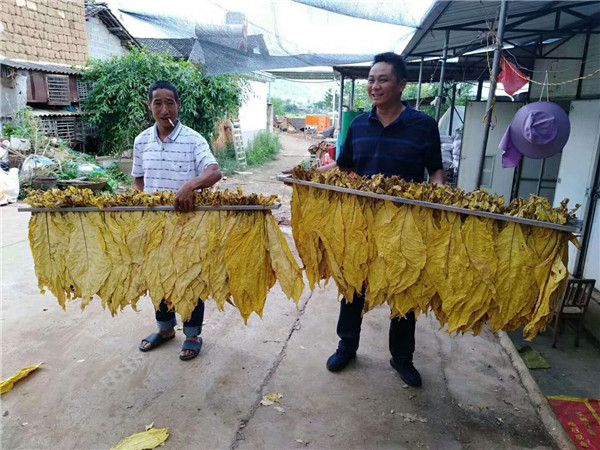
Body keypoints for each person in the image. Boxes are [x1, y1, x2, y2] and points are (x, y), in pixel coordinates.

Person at [322, 53, 445, 386]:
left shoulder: (423, 125)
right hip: (361, 222)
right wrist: (311, 174)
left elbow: (435, 171)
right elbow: (344, 168)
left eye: (383, 80)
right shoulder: (359, 124)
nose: (374, 86)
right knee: (354, 286)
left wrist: (439, 196)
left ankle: (402, 357)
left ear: (401, 85)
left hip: (406, 224)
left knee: (404, 288)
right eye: (371, 80)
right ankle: (347, 345)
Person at [132, 80, 222, 361]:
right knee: (158, 275)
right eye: (157, 103)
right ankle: (165, 329)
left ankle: (193, 334)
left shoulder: (194, 140)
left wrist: (190, 186)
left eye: (169, 102)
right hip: (154, 225)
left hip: (188, 225)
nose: (163, 109)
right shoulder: (142, 141)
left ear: (179, 105)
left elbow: (214, 171)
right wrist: (145, 202)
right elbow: (138, 178)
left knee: (190, 277)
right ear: (150, 107)